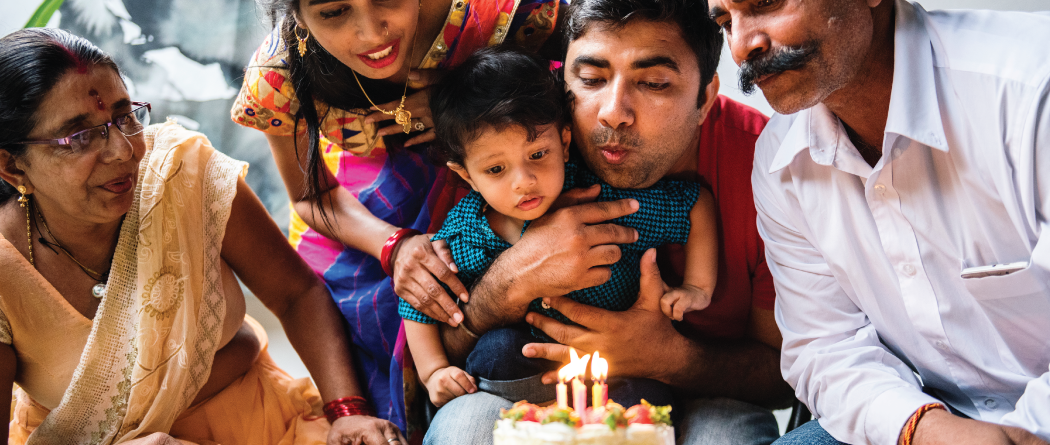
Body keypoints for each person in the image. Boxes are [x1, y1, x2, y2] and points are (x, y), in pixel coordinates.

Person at [407, 0, 796, 443]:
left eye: (652, 82)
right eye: (590, 79)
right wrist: (512, 280)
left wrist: (669, 358)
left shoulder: (770, 167)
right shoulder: (515, 138)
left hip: (703, 392)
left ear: (705, 96)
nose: (613, 111)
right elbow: (449, 346)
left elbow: (786, 377)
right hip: (527, 382)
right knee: (464, 427)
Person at [0, 28, 404, 445]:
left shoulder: (179, 173)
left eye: (124, 117)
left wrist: (346, 411)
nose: (123, 150)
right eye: (80, 136)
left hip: (268, 424)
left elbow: (296, 295)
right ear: (12, 167)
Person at [708, 0, 1050, 443]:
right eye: (725, 22)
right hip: (924, 415)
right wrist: (924, 430)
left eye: (766, 3)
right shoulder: (780, 158)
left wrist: (1023, 435)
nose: (740, 46)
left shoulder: (1029, 89)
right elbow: (824, 347)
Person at [230, 0, 568, 435]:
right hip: (361, 216)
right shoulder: (279, 77)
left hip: (516, 183)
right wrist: (395, 246)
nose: (372, 34)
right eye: (334, 12)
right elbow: (311, 195)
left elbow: (586, 85)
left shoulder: (504, 12)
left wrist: (468, 106)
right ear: (296, 16)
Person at [401, 46, 717, 409]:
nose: (524, 181)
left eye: (537, 155)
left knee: (651, 398)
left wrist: (698, 285)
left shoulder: (601, 201)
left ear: (564, 143)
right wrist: (434, 371)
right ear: (465, 175)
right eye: (495, 170)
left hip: (613, 373)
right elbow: (418, 304)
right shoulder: (468, 230)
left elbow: (695, 204)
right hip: (523, 376)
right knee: (496, 350)